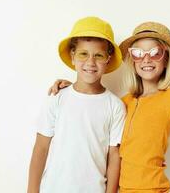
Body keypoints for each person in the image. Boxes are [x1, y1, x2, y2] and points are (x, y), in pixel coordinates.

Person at [49, 21, 170, 192]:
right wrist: (76, 88)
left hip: (152, 189)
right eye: (138, 53)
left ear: (166, 59)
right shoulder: (123, 102)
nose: (146, 59)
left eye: (154, 52)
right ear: (132, 61)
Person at [27, 16, 126, 193]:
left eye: (98, 55)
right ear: (73, 57)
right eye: (83, 54)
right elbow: (41, 148)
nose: (90, 62)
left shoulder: (115, 106)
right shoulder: (57, 97)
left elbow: (114, 157)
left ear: (108, 60)